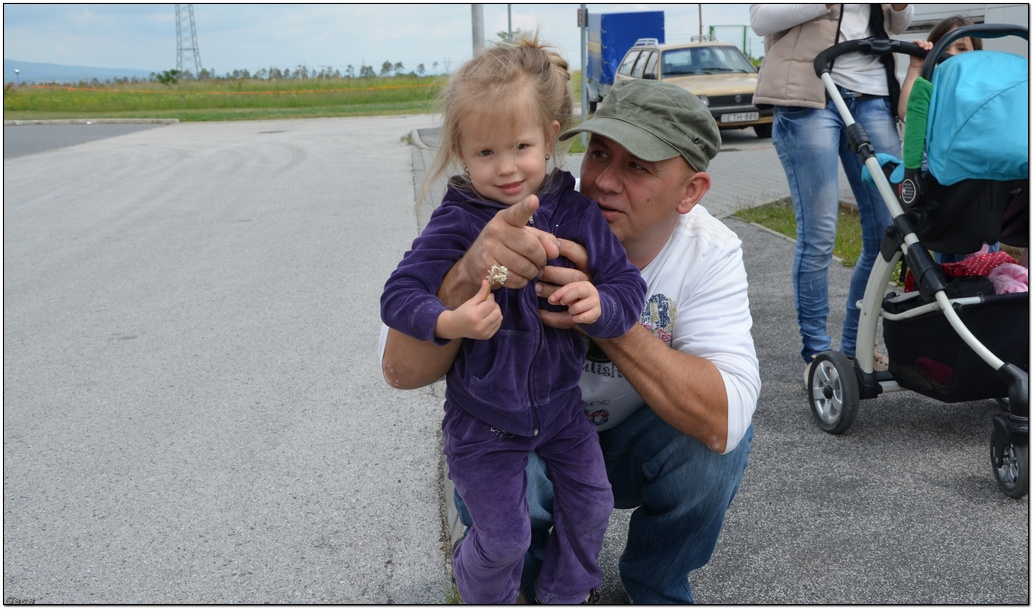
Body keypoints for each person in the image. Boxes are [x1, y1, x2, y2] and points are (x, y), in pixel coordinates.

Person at [380, 78, 761, 603]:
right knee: (511, 520)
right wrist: (470, 271)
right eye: (599, 153)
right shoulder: (508, 215)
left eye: (638, 166)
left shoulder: (711, 253)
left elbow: (726, 417)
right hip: (512, 430)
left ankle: (656, 585)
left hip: (603, 438)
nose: (603, 180)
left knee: (717, 448)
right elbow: (399, 370)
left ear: (691, 191)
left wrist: (605, 317)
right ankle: (520, 588)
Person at [379, 37, 646, 605]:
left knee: (594, 505)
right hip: (482, 421)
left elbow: (628, 286)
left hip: (561, 411)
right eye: (484, 153)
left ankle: (565, 595)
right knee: (503, 539)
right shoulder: (456, 221)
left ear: (550, 138)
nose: (505, 169)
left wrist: (601, 306)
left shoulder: (575, 213)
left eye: (521, 146)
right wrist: (450, 320)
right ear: (459, 150)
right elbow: (399, 296)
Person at [750, 4, 914, 382]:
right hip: (808, 94)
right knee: (820, 233)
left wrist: (901, 8)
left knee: (890, 231)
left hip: (872, 93)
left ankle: (855, 346)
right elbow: (760, 20)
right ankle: (818, 353)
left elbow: (896, 23)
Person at [896, 15, 999, 264]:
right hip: (940, 196)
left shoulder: (982, 90)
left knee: (980, 263)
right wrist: (916, 68)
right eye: (944, 47)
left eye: (961, 48)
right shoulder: (931, 87)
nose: (951, 54)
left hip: (978, 198)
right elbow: (906, 112)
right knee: (945, 262)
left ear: (976, 54)